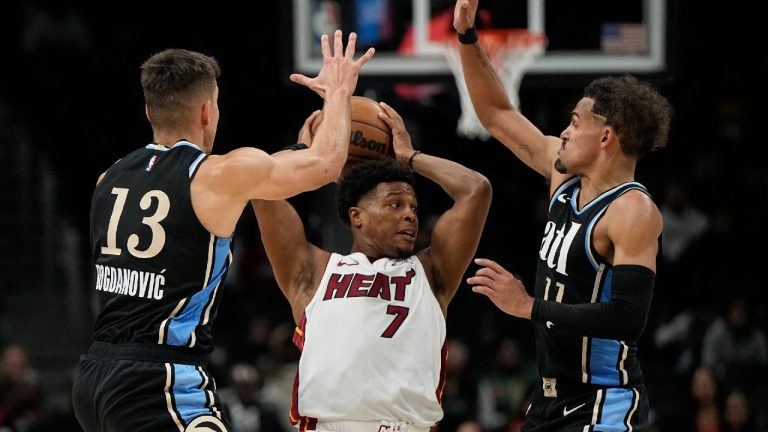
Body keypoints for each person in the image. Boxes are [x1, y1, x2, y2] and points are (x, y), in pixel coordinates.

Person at [71, 30, 375, 432]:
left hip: (94, 376)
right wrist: (338, 91)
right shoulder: (214, 173)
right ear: (207, 111)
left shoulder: (109, 178)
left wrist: (294, 157)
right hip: (159, 380)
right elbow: (328, 164)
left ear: (149, 111)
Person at [453, 1, 673, 430]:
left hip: (603, 400)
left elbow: (628, 318)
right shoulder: (563, 176)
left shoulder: (632, 210)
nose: (565, 132)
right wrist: (466, 35)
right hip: (550, 397)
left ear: (606, 136)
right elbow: (497, 113)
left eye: (575, 122)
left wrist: (529, 305)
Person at [250, 102, 492, 432]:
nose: (410, 214)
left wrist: (409, 157)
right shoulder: (315, 272)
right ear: (357, 216)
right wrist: (306, 153)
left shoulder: (432, 273)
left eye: (412, 207)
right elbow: (261, 186)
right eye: (395, 204)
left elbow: (476, 190)